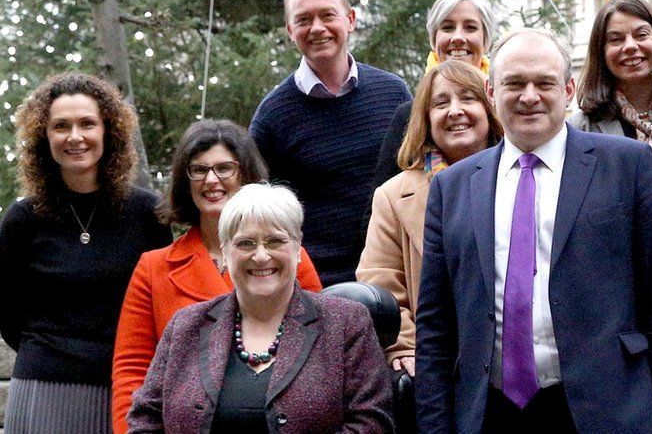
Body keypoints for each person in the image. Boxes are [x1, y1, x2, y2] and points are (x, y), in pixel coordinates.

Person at [415, 28, 652, 433]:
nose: (530, 96)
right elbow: (436, 329)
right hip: (488, 413)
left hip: (604, 411)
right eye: (514, 84)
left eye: (544, 83)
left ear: (568, 90)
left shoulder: (629, 166)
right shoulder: (452, 187)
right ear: (491, 92)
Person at [111, 120, 323, 434]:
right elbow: (132, 370)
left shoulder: (289, 257)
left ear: (246, 173)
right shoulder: (154, 268)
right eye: (199, 170)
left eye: (225, 168)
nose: (211, 180)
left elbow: (322, 347)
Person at [127, 183, 394, 432]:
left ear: (297, 246)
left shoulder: (346, 323)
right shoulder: (186, 326)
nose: (261, 255)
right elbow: (145, 419)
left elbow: (371, 422)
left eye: (275, 241)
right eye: (245, 243)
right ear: (226, 250)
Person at [0, 72, 172, 433]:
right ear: (43, 136)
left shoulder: (147, 213)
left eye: (87, 124)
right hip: (42, 389)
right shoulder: (22, 220)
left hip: (124, 389)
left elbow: (161, 302)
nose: (75, 137)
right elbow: (8, 313)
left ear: (108, 132)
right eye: (61, 126)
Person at [250, 0, 412, 287]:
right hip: (315, 288)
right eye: (303, 19)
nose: (317, 28)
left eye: (328, 15)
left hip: (394, 279)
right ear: (290, 30)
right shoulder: (273, 116)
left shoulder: (394, 95)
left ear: (350, 20)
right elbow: (258, 212)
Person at [357, 60, 503, 377]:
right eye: (441, 102)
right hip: (436, 364)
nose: (455, 110)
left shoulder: (520, 179)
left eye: (468, 98)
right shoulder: (393, 196)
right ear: (426, 117)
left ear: (490, 108)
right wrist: (406, 347)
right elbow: (379, 282)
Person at [371, 0, 496, 191]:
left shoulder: (504, 106)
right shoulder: (408, 115)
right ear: (434, 40)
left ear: (486, 40)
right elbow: (380, 205)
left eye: (470, 28)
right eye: (447, 28)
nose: (458, 37)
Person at [570, 0, 652, 148]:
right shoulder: (580, 129)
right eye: (616, 39)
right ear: (601, 52)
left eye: (641, 35)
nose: (630, 46)